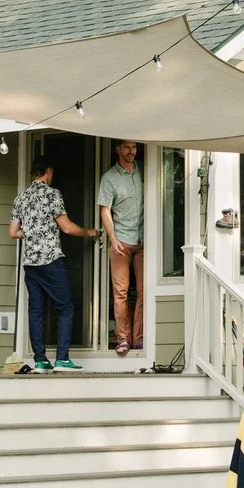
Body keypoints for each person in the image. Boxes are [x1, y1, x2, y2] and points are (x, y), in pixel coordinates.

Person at [9, 157, 96, 371]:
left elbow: (13, 232)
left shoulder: (21, 198)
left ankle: (40, 360)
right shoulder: (52, 194)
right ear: (48, 171)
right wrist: (89, 232)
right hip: (50, 259)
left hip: (30, 263)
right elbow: (66, 227)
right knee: (65, 307)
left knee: (36, 310)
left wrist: (31, 233)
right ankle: (62, 359)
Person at [99, 139, 147, 356]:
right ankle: (123, 338)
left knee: (145, 291)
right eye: (127, 147)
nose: (131, 151)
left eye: (134, 147)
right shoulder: (109, 178)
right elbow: (105, 210)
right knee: (121, 292)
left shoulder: (144, 171)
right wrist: (113, 238)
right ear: (118, 149)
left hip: (144, 240)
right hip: (122, 241)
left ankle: (139, 338)